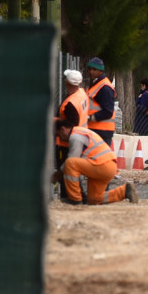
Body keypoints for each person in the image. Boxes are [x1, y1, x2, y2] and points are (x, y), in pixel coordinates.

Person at [52, 120, 137, 205]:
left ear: (62, 129)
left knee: (70, 163)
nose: (60, 138)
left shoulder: (75, 136)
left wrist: (57, 175)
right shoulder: (81, 132)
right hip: (107, 166)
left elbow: (72, 159)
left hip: (102, 165)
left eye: (58, 135)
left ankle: (75, 199)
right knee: (94, 199)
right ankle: (124, 191)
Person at [55, 69, 89, 200]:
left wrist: (56, 122)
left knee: (67, 169)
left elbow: (71, 122)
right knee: (72, 169)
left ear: (66, 83)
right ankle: (75, 196)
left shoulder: (71, 103)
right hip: (80, 137)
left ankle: (71, 196)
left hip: (67, 140)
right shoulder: (82, 94)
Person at [84, 56, 116, 148]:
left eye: (94, 69)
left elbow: (108, 112)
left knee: (100, 159)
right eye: (89, 69)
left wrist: (90, 117)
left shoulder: (105, 88)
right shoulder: (95, 84)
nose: (91, 72)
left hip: (101, 131)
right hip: (95, 129)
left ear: (101, 71)